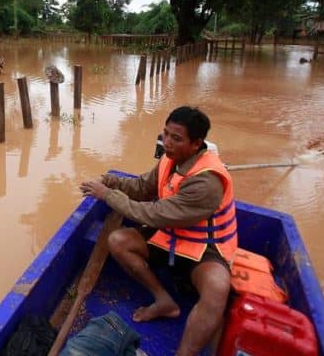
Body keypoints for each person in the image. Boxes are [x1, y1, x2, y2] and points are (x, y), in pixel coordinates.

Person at [79, 106, 237, 356]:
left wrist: (108, 195)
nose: (167, 142)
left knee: (218, 289)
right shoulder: (169, 158)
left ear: (196, 144)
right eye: (165, 134)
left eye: (176, 138)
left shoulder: (207, 183)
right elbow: (143, 187)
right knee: (118, 240)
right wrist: (113, 182)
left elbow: (149, 213)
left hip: (203, 248)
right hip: (170, 237)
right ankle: (164, 300)